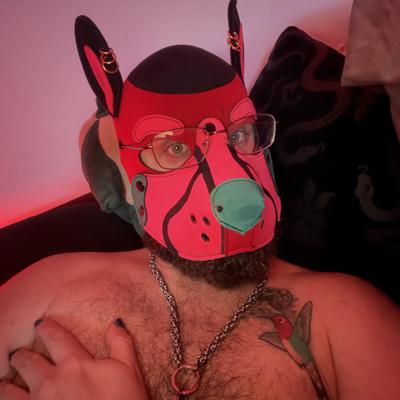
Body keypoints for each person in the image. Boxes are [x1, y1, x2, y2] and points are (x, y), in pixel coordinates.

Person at [1, 3, 400, 399]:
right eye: (174, 147)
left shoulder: (348, 318)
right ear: (125, 176)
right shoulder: (48, 287)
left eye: (240, 135)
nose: (230, 178)